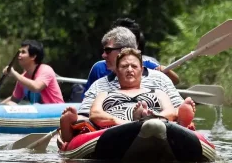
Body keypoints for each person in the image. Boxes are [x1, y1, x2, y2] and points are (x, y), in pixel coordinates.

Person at [59, 27, 195, 144]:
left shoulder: (159, 82)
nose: (103, 55)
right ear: (118, 71)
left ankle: (175, 126)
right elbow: (90, 115)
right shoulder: (100, 87)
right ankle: (68, 134)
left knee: (178, 116)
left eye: (107, 50)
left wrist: (156, 117)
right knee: (83, 124)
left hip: (158, 123)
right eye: (124, 66)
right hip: (114, 130)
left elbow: (174, 111)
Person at [89, 48, 194, 128]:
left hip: (156, 124)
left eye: (134, 66)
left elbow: (170, 112)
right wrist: (123, 122)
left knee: (172, 115)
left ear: (141, 70)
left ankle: (181, 123)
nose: (130, 70)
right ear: (116, 70)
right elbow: (95, 114)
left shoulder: (158, 93)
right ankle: (139, 119)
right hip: (117, 129)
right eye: (124, 66)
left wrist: (153, 119)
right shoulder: (104, 94)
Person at [83, 18, 179, 95]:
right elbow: (86, 109)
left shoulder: (156, 75)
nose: (103, 55)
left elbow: (175, 84)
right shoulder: (98, 82)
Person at [1, 40, 64, 105]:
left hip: (57, 112)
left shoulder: (46, 70)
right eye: (19, 52)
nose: (19, 55)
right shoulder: (22, 78)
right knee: (10, 104)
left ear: (33, 56)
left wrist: (14, 73)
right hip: (38, 111)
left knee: (36, 105)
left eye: (23, 52)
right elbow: (13, 100)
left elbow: (36, 87)